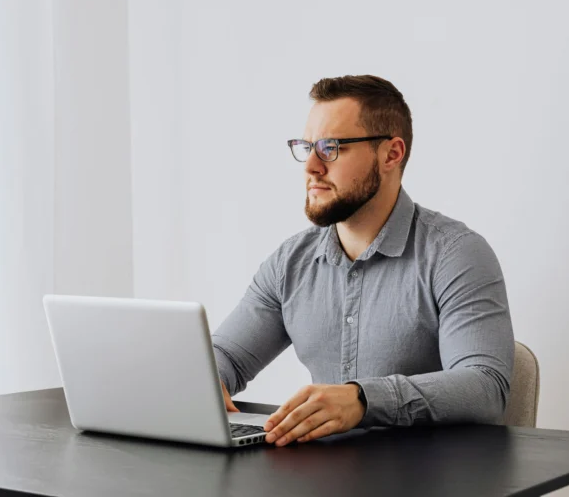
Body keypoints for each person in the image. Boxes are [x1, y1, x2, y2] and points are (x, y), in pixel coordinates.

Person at [212, 75, 514, 447]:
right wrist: (207, 376)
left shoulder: (456, 254)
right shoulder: (290, 263)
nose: (311, 166)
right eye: (306, 147)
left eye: (331, 147)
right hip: (324, 477)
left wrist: (362, 399)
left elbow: (485, 385)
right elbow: (225, 355)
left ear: (391, 154)